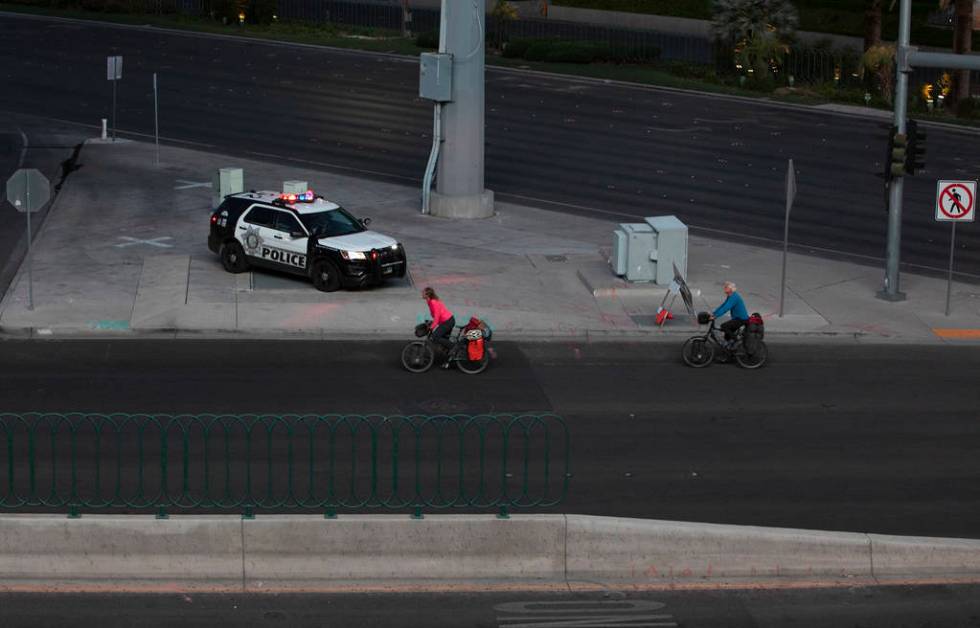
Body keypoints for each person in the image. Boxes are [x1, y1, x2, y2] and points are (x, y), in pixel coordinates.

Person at [422, 287, 455, 366]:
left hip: (448, 322)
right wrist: (431, 322)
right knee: (444, 344)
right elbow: (436, 316)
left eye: (423, 292)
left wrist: (432, 327)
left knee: (435, 337)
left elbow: (437, 316)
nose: (422, 294)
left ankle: (454, 347)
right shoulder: (429, 301)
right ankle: (449, 361)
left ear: (427, 294)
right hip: (446, 321)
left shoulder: (433, 302)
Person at [710, 281, 749, 345]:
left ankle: (736, 341)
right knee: (727, 335)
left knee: (724, 326)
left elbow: (726, 308)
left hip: (741, 319)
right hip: (738, 318)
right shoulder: (730, 296)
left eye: (726, 287)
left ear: (730, 289)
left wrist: (715, 316)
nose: (724, 288)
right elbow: (723, 305)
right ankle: (730, 349)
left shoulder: (734, 297)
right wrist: (714, 313)